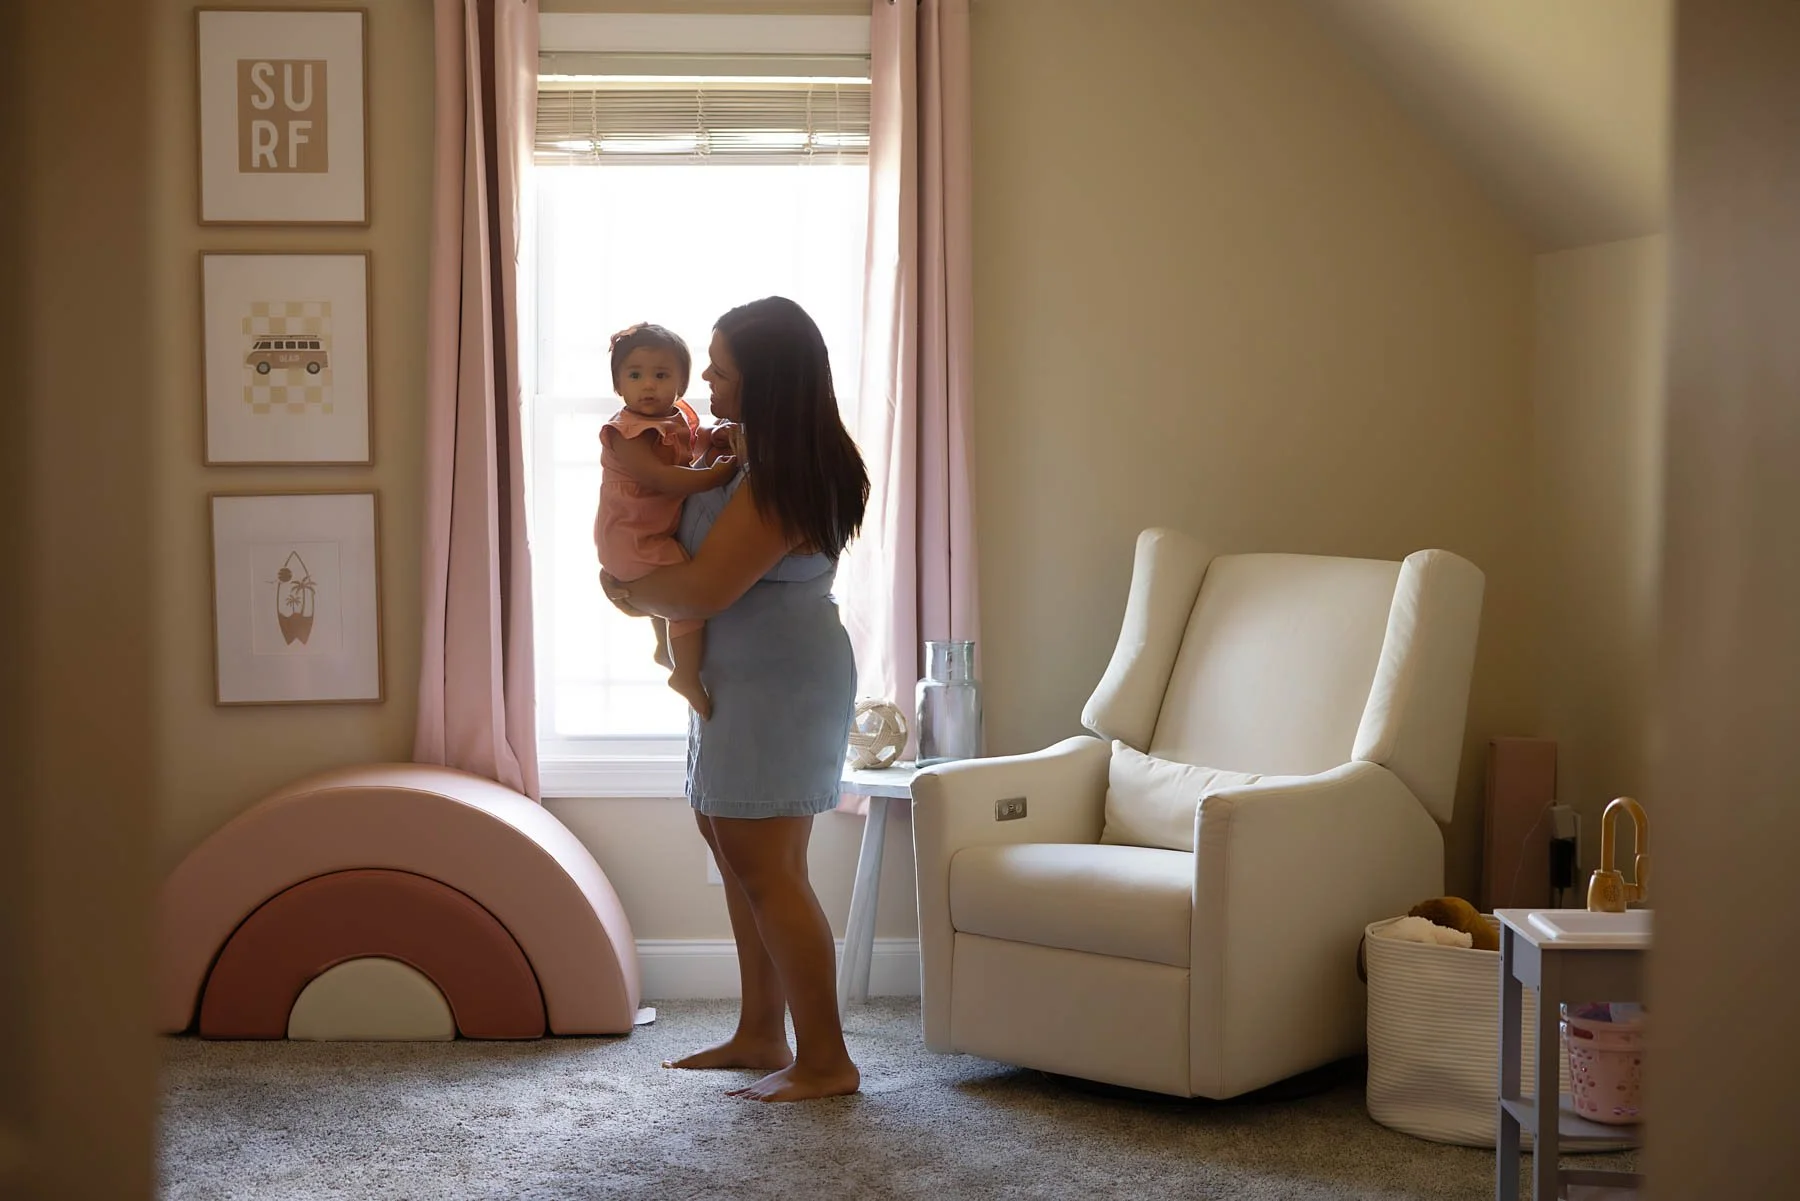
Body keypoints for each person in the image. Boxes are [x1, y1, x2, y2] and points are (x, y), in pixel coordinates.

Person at [599, 297, 870, 1102]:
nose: (706, 378)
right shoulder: (749, 454)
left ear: (767, 379)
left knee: (769, 866)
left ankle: (826, 1060)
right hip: (738, 679)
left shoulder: (785, 479)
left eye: (720, 365)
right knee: (735, 849)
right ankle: (760, 1034)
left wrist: (627, 590)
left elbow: (709, 584)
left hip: (777, 683)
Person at [593, 323, 739, 718]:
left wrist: (717, 438)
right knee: (685, 599)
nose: (648, 386)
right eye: (635, 375)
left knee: (674, 587)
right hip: (630, 536)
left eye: (662, 375)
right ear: (618, 385)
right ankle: (686, 673)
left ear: (681, 383)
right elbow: (660, 477)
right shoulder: (626, 432)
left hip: (650, 530)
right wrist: (717, 474)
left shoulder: (677, 417)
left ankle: (665, 646)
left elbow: (693, 440)